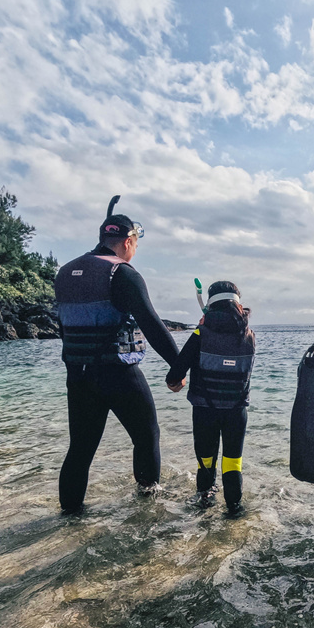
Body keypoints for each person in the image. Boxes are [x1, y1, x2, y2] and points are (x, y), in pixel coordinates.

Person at [54, 196, 182, 514]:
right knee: (147, 436)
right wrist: (178, 368)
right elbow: (152, 326)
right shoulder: (123, 274)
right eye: (135, 245)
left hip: (79, 376)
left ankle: (69, 518)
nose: (134, 252)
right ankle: (147, 507)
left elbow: (65, 326)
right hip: (118, 374)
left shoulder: (65, 273)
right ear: (127, 241)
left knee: (80, 450)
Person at [166, 281, 255, 517]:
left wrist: (176, 383)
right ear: (239, 305)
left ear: (209, 305)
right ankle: (235, 512)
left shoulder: (200, 333)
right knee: (233, 462)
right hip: (237, 412)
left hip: (205, 410)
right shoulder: (249, 336)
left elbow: (174, 375)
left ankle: (203, 512)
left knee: (206, 461)